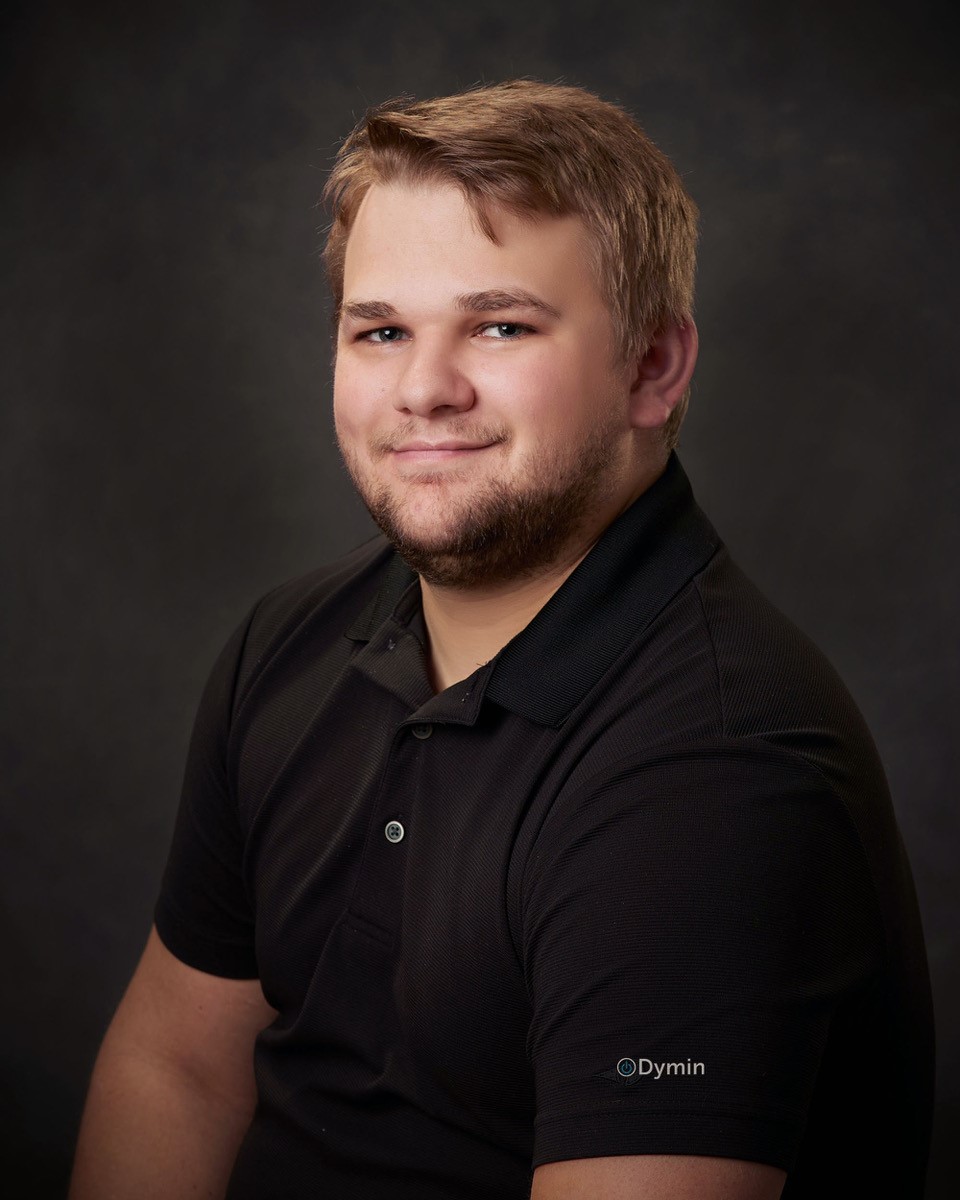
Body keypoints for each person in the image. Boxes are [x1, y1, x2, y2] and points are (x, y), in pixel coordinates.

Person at [69, 80, 934, 1200]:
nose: (424, 389)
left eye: (500, 324)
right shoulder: (284, 647)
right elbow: (178, 1070)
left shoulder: (717, 769)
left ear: (653, 368)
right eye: (380, 330)